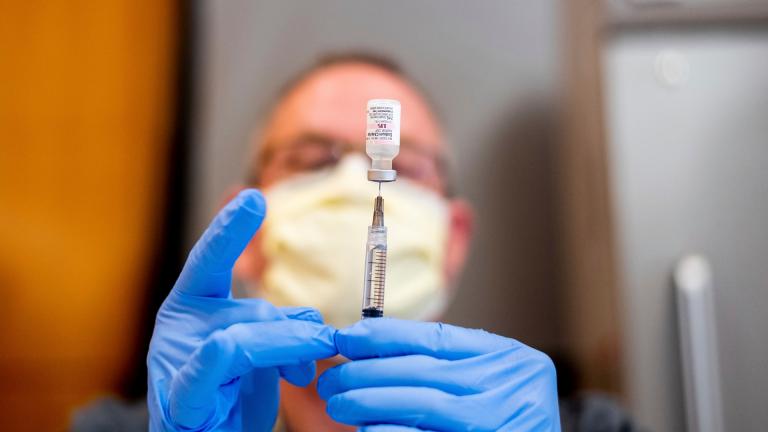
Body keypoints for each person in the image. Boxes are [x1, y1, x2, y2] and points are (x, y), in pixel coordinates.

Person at [146, 54, 561, 431]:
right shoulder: (151, 422)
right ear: (245, 237)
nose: (353, 184)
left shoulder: (563, 421)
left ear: (453, 241)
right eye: (310, 162)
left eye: (405, 167)